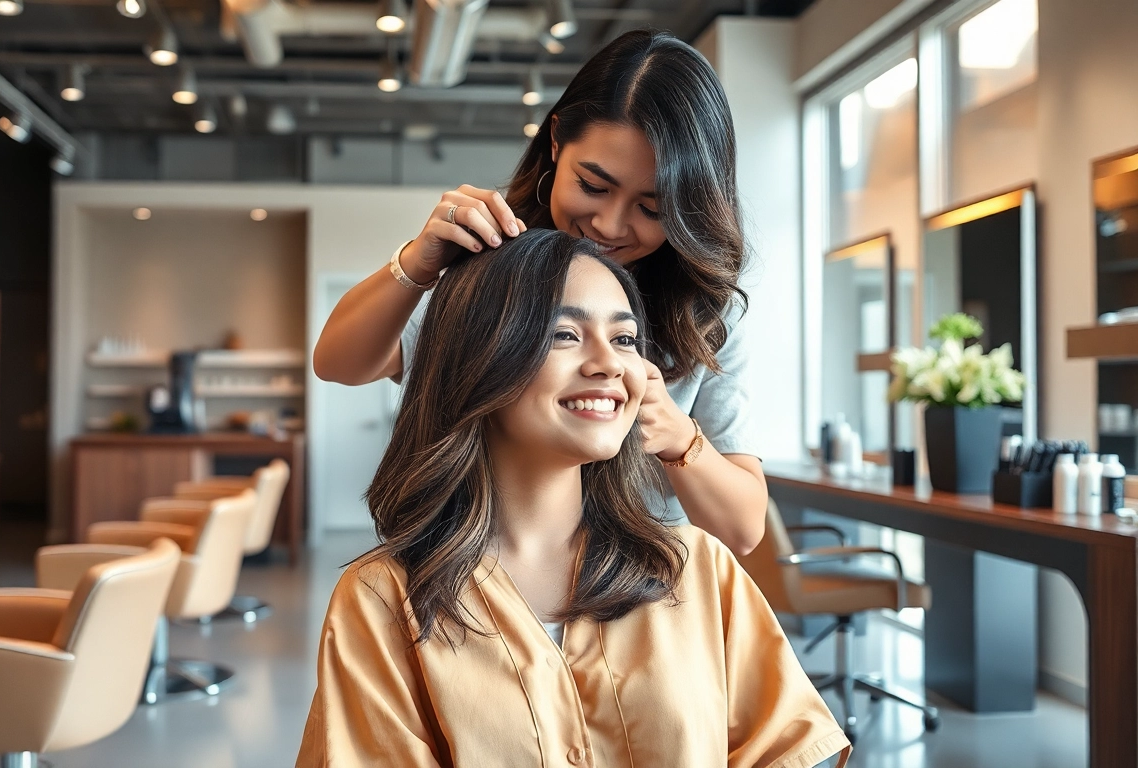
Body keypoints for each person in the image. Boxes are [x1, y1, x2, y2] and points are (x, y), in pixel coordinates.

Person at [297, 230, 849, 767]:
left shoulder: (697, 571)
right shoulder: (381, 601)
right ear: (478, 359)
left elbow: (787, 749)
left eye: (625, 339)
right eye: (564, 334)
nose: (609, 363)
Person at [314, 30, 766, 555]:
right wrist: (418, 261)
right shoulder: (492, 269)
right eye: (593, 186)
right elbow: (339, 363)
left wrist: (678, 436)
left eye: (653, 208)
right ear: (557, 141)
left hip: (634, 595)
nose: (608, 224)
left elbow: (742, 530)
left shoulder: (707, 317)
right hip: (477, 582)